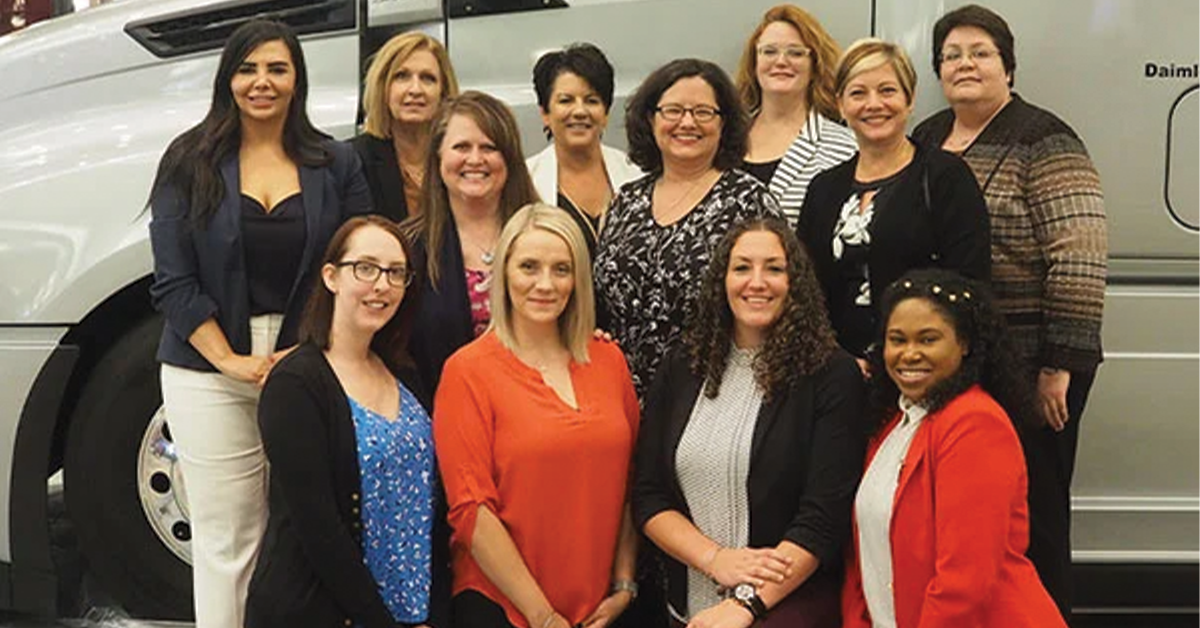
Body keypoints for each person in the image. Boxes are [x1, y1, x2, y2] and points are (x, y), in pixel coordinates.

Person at [147, 19, 371, 628]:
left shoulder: (336, 161)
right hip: (207, 366)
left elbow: (357, 260)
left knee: (304, 530)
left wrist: (299, 358)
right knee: (228, 538)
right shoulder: (188, 159)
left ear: (297, 79)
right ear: (228, 79)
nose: (262, 82)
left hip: (310, 363)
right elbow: (172, 280)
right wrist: (232, 362)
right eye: (248, 68)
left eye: (277, 68)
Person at [911, 6, 1108, 617]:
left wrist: (1059, 364)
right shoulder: (927, 135)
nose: (965, 64)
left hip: (1030, 363)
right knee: (961, 512)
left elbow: (1080, 252)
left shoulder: (1043, 138)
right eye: (952, 55)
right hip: (950, 360)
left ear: (1007, 66)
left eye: (980, 52)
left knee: (1035, 511)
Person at [633, 218, 865, 628]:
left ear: (796, 283)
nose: (756, 282)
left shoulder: (832, 375)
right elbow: (649, 494)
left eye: (774, 268)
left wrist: (744, 605)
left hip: (783, 609)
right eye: (742, 267)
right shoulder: (683, 365)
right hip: (686, 607)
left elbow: (822, 520)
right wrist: (715, 559)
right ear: (721, 280)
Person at [434, 203, 639, 628]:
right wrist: (542, 617)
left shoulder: (608, 360)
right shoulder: (467, 371)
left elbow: (630, 482)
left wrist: (624, 584)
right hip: (504, 607)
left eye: (561, 269)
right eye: (529, 266)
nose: (545, 284)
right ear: (504, 273)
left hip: (600, 609)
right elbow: (471, 511)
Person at [246, 216, 449, 628]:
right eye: (366, 267)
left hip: (414, 611)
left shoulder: (405, 374)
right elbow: (318, 529)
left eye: (396, 273)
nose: (382, 285)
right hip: (324, 612)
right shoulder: (295, 385)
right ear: (331, 277)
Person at [841, 268, 1065, 628]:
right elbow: (860, 554)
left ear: (964, 345)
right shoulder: (891, 422)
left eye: (928, 340)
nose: (909, 354)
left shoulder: (975, 424)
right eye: (897, 339)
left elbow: (964, 584)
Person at [594, 57, 783, 400]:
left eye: (702, 112)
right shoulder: (626, 200)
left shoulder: (748, 202)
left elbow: (779, 306)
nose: (687, 122)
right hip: (619, 396)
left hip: (712, 396)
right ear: (651, 119)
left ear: (724, 124)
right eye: (673, 111)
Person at [796, 38, 990, 371]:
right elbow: (804, 291)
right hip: (838, 374)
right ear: (841, 105)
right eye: (858, 93)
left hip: (920, 371)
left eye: (887, 91)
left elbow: (971, 286)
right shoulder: (823, 189)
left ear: (909, 99)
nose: (874, 104)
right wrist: (835, 362)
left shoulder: (945, 178)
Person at [404, 90, 539, 393]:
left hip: (537, 418)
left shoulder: (545, 237)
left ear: (510, 157)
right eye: (462, 147)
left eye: (489, 147)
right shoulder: (408, 248)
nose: (475, 159)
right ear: (438, 155)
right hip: (444, 411)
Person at [736, 4, 856, 226]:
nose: (781, 61)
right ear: (754, 63)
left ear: (815, 65)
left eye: (796, 53)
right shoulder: (722, 138)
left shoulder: (846, 147)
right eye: (769, 51)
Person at [526, 43, 642, 256]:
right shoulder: (525, 179)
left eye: (591, 101)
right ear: (545, 113)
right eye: (565, 100)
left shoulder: (637, 175)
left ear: (605, 113)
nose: (580, 111)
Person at [352, 31, 460, 221]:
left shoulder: (461, 158)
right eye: (402, 76)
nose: (415, 90)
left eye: (428, 78)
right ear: (382, 87)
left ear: (443, 93)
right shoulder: (353, 160)